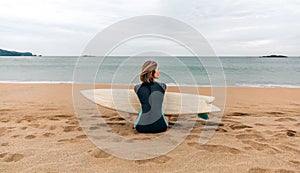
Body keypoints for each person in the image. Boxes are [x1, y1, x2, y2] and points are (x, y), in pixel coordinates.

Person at [131, 60, 171, 133]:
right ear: (152, 71)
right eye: (157, 69)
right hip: (161, 127)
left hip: (141, 128)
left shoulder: (137, 87)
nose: (159, 71)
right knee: (167, 112)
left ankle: (136, 123)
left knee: (133, 112)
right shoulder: (163, 86)